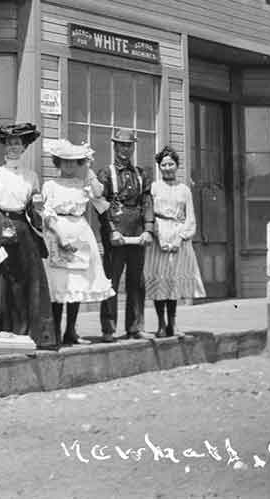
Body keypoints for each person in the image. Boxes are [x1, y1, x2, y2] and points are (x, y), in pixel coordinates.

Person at [0, 123, 56, 349]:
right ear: (4, 147)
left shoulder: (31, 176)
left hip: (23, 231)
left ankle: (26, 329)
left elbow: (34, 207)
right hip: (1, 227)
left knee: (27, 279)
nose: (13, 148)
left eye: (17, 144)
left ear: (24, 147)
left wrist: (42, 212)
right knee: (1, 281)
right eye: (9, 144)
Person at [41, 139, 114, 346]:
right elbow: (45, 212)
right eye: (65, 161)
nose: (69, 166)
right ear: (58, 162)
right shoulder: (50, 185)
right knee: (58, 283)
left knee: (76, 283)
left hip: (80, 233)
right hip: (57, 232)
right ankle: (54, 330)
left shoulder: (84, 184)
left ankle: (70, 330)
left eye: (74, 162)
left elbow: (100, 199)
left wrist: (89, 170)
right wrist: (56, 233)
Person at [97, 128, 155, 342]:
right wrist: (111, 230)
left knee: (136, 282)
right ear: (114, 146)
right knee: (111, 282)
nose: (125, 149)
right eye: (121, 144)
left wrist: (148, 229)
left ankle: (135, 327)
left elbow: (147, 202)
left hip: (137, 232)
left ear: (133, 147)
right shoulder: (106, 173)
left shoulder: (141, 173)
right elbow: (101, 206)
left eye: (128, 145)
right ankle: (108, 329)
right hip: (115, 233)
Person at [144, 145, 206, 337]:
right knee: (160, 281)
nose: (168, 168)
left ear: (177, 166)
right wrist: (157, 235)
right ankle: (161, 324)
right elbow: (148, 214)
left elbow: (191, 218)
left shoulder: (184, 190)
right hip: (159, 237)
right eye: (164, 164)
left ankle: (173, 324)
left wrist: (181, 238)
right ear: (159, 167)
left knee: (173, 283)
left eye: (171, 164)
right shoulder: (153, 188)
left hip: (178, 236)